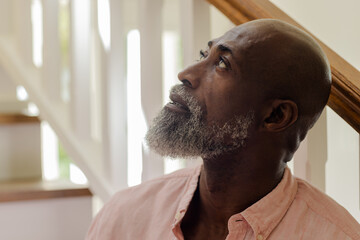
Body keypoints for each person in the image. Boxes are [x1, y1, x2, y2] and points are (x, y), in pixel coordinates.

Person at [86, 19, 360, 240]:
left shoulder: (335, 235)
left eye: (222, 64)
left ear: (275, 116)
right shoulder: (125, 216)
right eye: (204, 55)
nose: (186, 73)